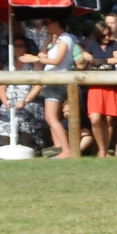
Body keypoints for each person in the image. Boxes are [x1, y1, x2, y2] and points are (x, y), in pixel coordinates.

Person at [24, 15, 77, 159]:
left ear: (57, 22)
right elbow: (42, 54)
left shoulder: (65, 38)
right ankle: (63, 147)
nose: (46, 25)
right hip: (51, 81)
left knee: (50, 117)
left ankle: (66, 150)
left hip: (57, 80)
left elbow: (56, 60)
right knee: (52, 118)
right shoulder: (57, 40)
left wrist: (35, 59)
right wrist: (48, 39)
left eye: (48, 22)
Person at [81, 20, 117, 157]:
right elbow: (85, 55)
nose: (107, 38)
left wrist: (100, 61)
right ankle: (101, 148)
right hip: (95, 86)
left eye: (108, 34)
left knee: (109, 119)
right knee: (95, 119)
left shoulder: (113, 44)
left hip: (110, 85)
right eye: (103, 35)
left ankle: (104, 150)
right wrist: (88, 57)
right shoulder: (92, 45)